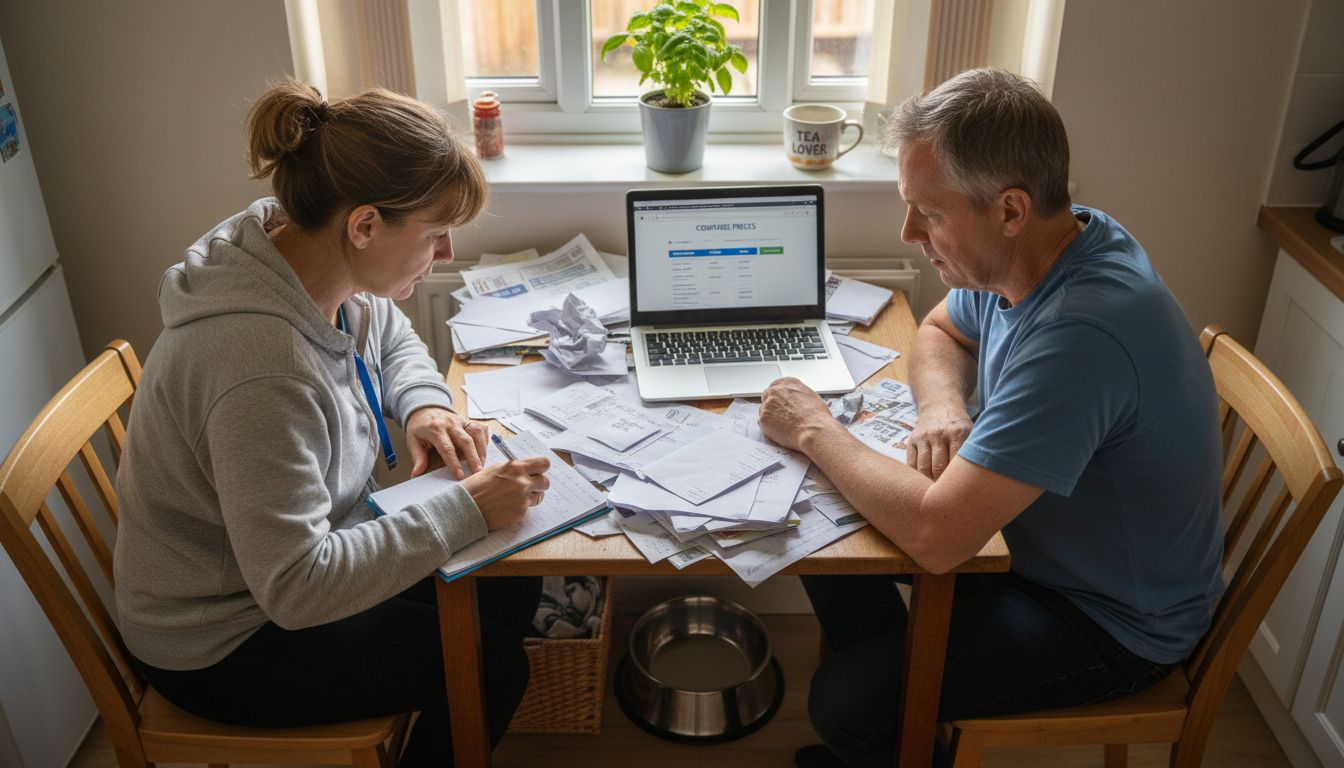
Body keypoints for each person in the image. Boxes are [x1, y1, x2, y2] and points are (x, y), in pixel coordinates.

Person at [758, 68, 1225, 768]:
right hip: (1026, 546)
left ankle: (896, 722)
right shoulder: (1049, 245)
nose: (910, 232)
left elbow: (939, 536)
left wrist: (813, 428)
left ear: (1009, 209)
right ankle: (905, 719)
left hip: (1105, 619)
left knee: (843, 704)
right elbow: (941, 330)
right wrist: (944, 407)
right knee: (823, 543)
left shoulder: (1084, 334)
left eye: (931, 213)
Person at [112, 79, 551, 767]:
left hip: (298, 560)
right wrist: (465, 508)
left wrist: (423, 403)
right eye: (435, 234)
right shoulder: (260, 369)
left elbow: (390, 332)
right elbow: (296, 587)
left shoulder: (293, 244)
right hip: (226, 638)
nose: (446, 256)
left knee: (512, 570)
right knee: (491, 664)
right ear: (366, 225)